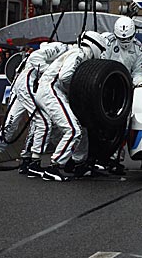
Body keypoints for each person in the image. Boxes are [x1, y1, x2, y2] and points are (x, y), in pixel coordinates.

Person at [0, 43, 68, 172]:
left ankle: (24, 158)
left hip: (24, 86)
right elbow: (34, 61)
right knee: (32, 122)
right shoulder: (60, 50)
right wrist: (49, 71)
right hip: (26, 86)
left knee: (24, 123)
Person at [34, 31, 107, 181]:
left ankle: (77, 163)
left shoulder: (80, 54)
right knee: (73, 130)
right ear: (96, 46)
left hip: (52, 90)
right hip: (51, 90)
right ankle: (54, 166)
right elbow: (65, 76)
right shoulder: (79, 53)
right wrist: (79, 89)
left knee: (81, 126)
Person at [102, 16, 142, 170]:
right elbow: (100, 64)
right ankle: (101, 156)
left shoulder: (139, 48)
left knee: (124, 125)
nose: (125, 41)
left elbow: (139, 71)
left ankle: (116, 159)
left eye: (127, 38)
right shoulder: (107, 42)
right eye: (122, 38)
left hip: (125, 88)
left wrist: (140, 85)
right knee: (104, 124)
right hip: (106, 87)